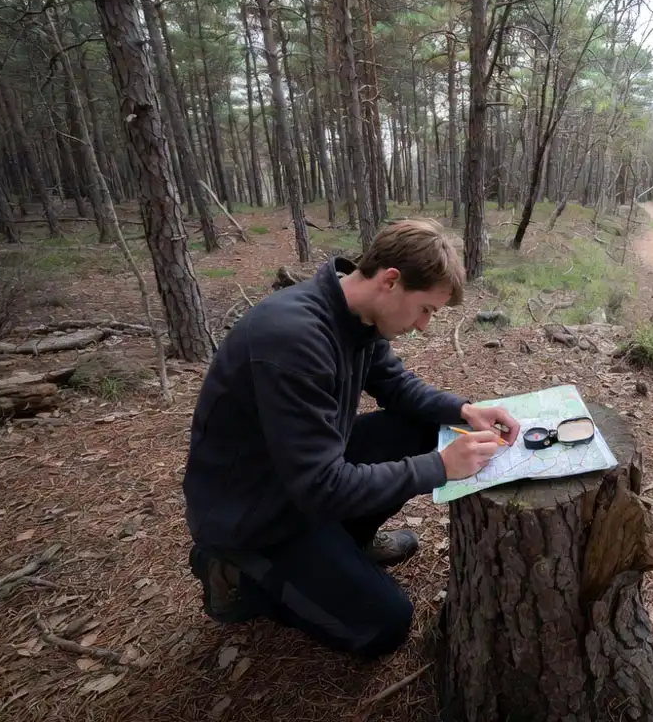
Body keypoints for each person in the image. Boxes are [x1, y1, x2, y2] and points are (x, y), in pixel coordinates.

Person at [182, 219, 519, 659]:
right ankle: (235, 575)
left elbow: (396, 386)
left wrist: (463, 410)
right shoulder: (294, 338)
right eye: (425, 309)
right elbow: (322, 486)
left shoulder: (358, 317)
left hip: (300, 478)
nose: (423, 326)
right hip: (253, 515)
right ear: (391, 281)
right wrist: (441, 467)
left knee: (417, 427)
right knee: (385, 625)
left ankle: (346, 547)